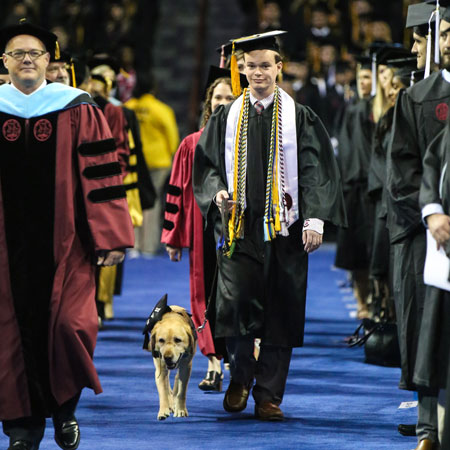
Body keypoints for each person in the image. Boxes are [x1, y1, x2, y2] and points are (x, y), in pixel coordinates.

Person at [193, 30, 346, 421]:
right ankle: (241, 375)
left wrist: (314, 219)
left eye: (266, 65)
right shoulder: (227, 117)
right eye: (251, 66)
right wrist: (217, 194)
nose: (258, 71)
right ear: (241, 69)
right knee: (237, 305)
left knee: (282, 309)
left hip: (287, 230)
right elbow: (207, 166)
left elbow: (314, 169)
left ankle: (268, 394)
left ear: (280, 68)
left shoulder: (301, 117)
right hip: (240, 229)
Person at [0, 21, 134, 450]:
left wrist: (110, 238)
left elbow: (102, 177)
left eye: (34, 53)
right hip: (4, 254)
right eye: (16, 53)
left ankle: (64, 411)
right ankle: (21, 429)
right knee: (6, 336)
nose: (26, 59)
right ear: (2, 63)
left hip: (68, 245)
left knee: (72, 327)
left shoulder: (77, 107)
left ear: (48, 62)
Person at [386, 4, 450, 449]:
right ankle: (431, 427)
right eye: (443, 34)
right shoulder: (419, 98)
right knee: (431, 330)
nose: (448, 42)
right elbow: (402, 169)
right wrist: (431, 217)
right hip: (433, 238)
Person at [161, 69, 238, 391]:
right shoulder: (192, 144)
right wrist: (173, 236)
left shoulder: (244, 144)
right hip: (201, 230)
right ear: (208, 104)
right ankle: (213, 363)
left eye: (229, 98)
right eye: (217, 98)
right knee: (204, 296)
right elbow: (177, 189)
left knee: (236, 297)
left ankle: (238, 359)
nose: (222, 103)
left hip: (238, 231)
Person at [126, 73, 180, 257]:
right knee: (153, 201)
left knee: (132, 199)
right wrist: (172, 153)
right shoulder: (160, 109)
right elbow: (172, 135)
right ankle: (148, 247)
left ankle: (133, 245)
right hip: (158, 162)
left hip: (132, 161)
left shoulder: (127, 107)